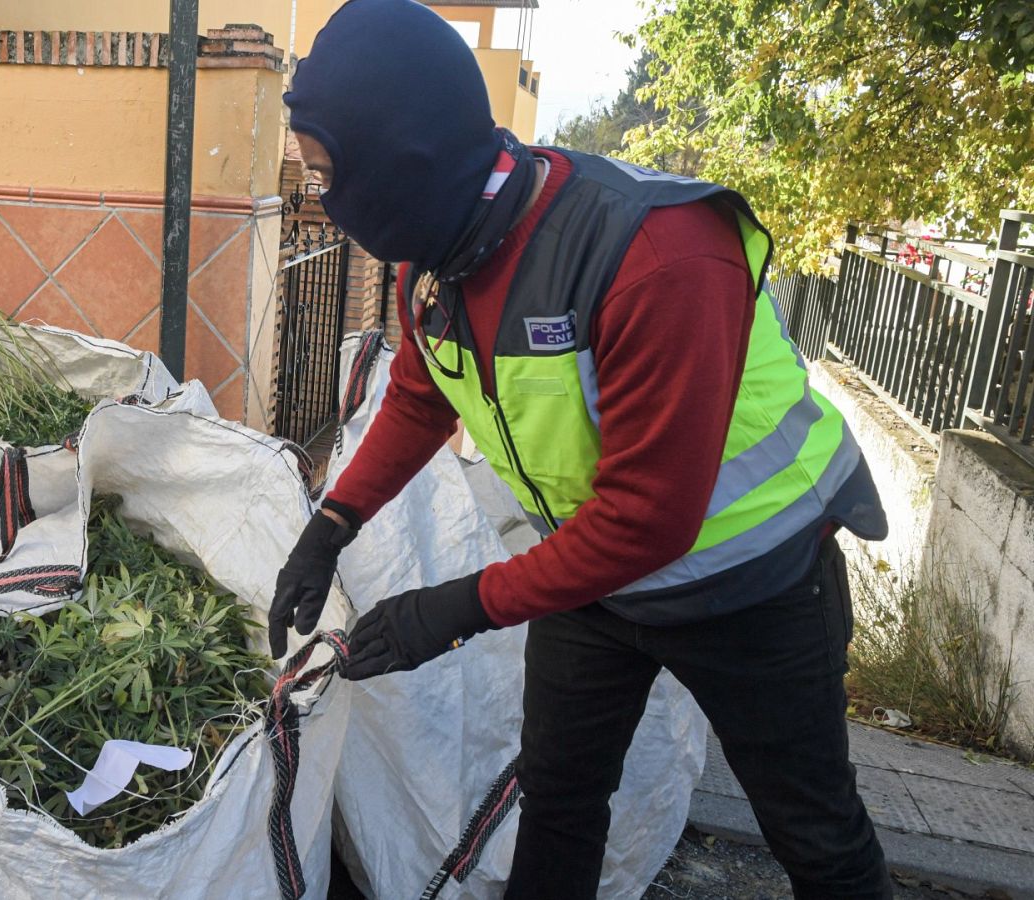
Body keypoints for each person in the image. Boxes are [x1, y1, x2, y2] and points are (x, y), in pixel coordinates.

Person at [267, 1, 894, 897]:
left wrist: (454, 609)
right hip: (591, 581)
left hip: (754, 586)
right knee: (559, 800)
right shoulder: (439, 251)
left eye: (328, 174)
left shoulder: (657, 256)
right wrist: (331, 521)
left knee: (816, 836)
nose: (323, 203)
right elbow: (422, 388)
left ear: (401, 163)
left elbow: (649, 519)